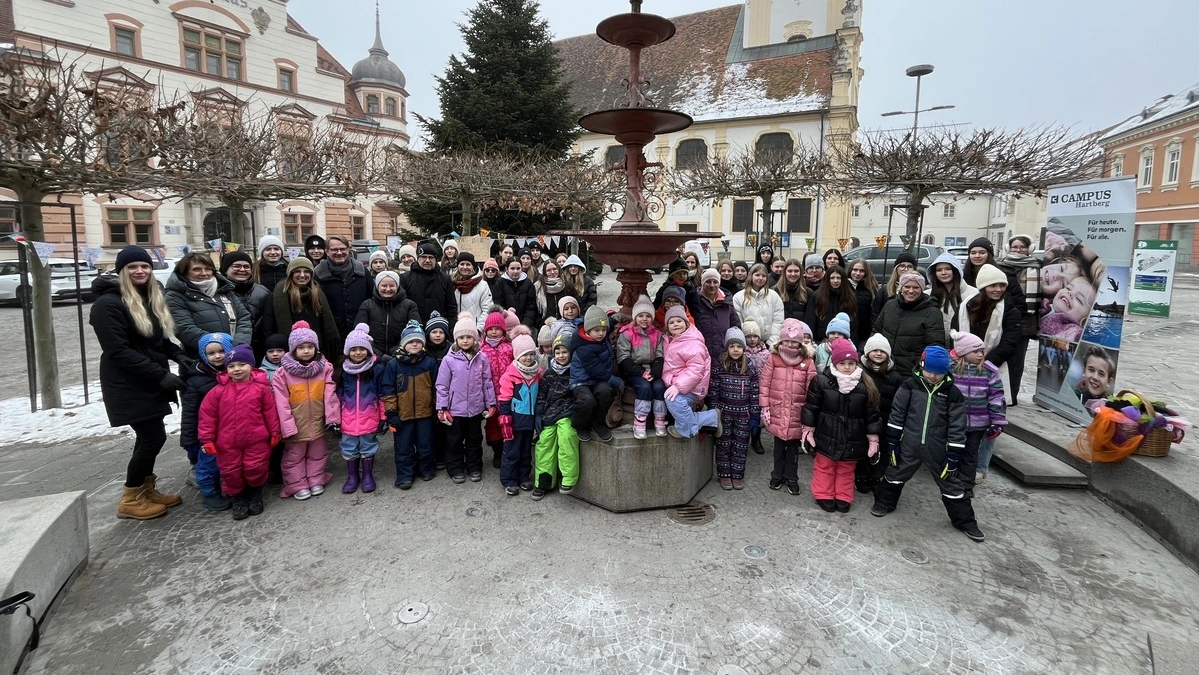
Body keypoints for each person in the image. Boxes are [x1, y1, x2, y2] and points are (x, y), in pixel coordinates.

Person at [91, 247, 189, 520]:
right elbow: (118, 351)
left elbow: (156, 340)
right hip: (128, 381)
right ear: (122, 271)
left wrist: (178, 354)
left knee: (151, 436)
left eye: (144, 266)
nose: (139, 271)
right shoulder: (108, 304)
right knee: (152, 437)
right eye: (132, 267)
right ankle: (131, 497)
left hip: (147, 379)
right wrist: (161, 375)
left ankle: (146, 489)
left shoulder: (146, 299)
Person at [871, 346, 985, 542]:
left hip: (938, 448)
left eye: (939, 372)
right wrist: (893, 442)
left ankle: (965, 521)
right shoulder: (909, 386)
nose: (933, 376)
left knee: (951, 483)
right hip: (909, 444)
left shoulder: (953, 393)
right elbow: (897, 414)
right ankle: (884, 503)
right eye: (929, 371)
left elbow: (957, 426)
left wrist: (954, 454)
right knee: (895, 473)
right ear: (921, 366)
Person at [198, 344, 280, 520]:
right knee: (230, 471)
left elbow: (270, 412)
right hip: (227, 443)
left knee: (256, 467)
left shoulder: (261, 389)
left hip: (256, 439)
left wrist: (274, 432)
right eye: (231, 366)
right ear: (226, 369)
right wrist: (207, 440)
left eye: (242, 364)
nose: (237, 369)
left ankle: (254, 493)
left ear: (251, 366)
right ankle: (237, 496)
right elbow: (207, 417)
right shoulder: (217, 392)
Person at [801, 338, 882, 513]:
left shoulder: (864, 386)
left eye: (851, 363)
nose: (847, 367)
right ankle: (823, 492)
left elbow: (872, 415)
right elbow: (811, 407)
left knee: (846, 468)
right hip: (826, 434)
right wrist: (808, 430)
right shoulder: (821, 382)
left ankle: (843, 495)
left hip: (853, 438)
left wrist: (873, 439)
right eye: (842, 363)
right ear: (835, 363)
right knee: (825, 466)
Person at [272, 320, 340, 501]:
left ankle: (316, 479)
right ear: (293, 349)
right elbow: (281, 402)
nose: (306, 351)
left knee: (318, 453)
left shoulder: (325, 368)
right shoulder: (282, 373)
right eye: (301, 347)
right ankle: (297, 484)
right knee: (294, 456)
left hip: (317, 421)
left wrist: (332, 419)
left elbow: (330, 395)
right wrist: (287, 426)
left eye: (310, 346)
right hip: (296, 423)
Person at [436, 312, 498, 484]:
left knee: (474, 440)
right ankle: (455, 468)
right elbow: (442, 385)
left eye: (469, 337)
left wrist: (490, 403)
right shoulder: (449, 360)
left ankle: (474, 466)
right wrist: (442, 408)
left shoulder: (482, 358)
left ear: (475, 339)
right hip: (455, 410)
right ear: (456, 339)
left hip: (475, 409)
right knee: (454, 441)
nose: (465, 340)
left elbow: (487, 382)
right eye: (461, 337)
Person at [759, 318, 818, 495]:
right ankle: (777, 475)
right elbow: (765, 383)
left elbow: (812, 388)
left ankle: (792, 478)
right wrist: (764, 407)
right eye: (788, 341)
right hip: (777, 410)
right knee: (778, 447)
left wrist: (809, 414)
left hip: (797, 412)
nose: (791, 345)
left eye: (795, 342)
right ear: (781, 341)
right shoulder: (773, 358)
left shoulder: (808, 362)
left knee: (793, 449)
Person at [954, 264, 1022, 404]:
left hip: (994, 364)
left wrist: (986, 362)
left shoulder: (1010, 310)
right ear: (983, 287)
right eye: (993, 286)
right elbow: (956, 332)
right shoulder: (966, 307)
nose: (998, 290)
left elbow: (1009, 342)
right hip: (963, 362)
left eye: (1002, 285)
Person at [949, 331, 1006, 497]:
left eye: (982, 351)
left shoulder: (989, 371)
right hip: (954, 422)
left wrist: (997, 422)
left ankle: (966, 486)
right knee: (952, 452)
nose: (981, 354)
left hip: (978, 424)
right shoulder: (950, 369)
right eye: (976, 351)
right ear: (963, 352)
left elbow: (996, 397)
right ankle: (949, 482)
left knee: (970, 455)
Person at [382, 321, 438, 489]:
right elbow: (388, 390)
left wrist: (436, 408)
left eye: (418, 341)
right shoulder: (394, 364)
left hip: (425, 414)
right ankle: (405, 475)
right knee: (403, 447)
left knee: (425, 445)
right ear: (403, 343)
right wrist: (391, 413)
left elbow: (436, 387)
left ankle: (426, 469)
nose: (414, 344)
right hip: (402, 415)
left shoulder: (428, 363)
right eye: (410, 341)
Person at [166, 252, 252, 358]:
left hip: (234, 356)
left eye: (208, 269)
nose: (204, 273)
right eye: (197, 269)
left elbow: (244, 318)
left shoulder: (224, 290)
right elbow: (184, 328)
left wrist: (239, 343)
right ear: (184, 272)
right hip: (201, 359)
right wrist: (220, 346)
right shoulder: (175, 296)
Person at [180, 332, 232, 510]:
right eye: (211, 353)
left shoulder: (236, 372)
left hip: (231, 431)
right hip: (208, 434)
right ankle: (210, 494)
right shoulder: (195, 380)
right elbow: (189, 413)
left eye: (221, 351)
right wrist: (189, 439)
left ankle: (229, 489)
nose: (217, 356)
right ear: (203, 355)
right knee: (209, 466)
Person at [335, 324, 386, 494]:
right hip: (347, 418)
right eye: (354, 349)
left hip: (369, 416)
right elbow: (337, 396)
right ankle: (352, 476)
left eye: (362, 349)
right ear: (347, 351)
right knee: (348, 447)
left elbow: (382, 395)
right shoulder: (342, 371)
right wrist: (335, 419)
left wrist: (384, 417)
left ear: (369, 350)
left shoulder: (376, 369)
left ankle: (367, 475)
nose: (358, 352)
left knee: (367, 446)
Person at [708, 327, 760, 490]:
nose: (735, 350)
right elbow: (714, 390)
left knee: (740, 445)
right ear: (727, 348)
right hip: (725, 413)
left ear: (743, 349)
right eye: (732, 346)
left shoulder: (750, 368)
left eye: (738, 346)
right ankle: (724, 474)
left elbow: (755, 393)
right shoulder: (720, 367)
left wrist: (754, 416)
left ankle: (737, 475)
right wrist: (714, 412)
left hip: (743, 415)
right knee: (724, 445)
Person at [263, 256, 340, 360]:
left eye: (307, 271)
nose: (302, 275)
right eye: (297, 271)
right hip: (289, 353)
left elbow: (325, 325)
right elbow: (269, 327)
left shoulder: (319, 294)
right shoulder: (277, 296)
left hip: (317, 353)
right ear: (291, 274)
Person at [661, 306, 720, 439]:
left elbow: (695, 369)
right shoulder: (671, 339)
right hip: (677, 382)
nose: (676, 324)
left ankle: (685, 430)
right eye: (671, 322)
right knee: (671, 400)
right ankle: (711, 417)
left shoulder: (693, 343)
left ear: (687, 323)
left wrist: (677, 386)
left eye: (679, 321)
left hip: (692, 386)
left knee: (673, 401)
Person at [856, 334, 904, 494]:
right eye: (874, 350)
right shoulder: (860, 371)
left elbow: (899, 401)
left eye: (882, 351)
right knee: (863, 448)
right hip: (863, 420)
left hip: (885, 419)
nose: (878, 353)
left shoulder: (895, 376)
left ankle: (876, 476)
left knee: (881, 450)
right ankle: (861, 475)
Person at [873, 273, 946, 376]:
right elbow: (876, 332)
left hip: (911, 371)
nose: (911, 291)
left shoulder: (932, 313)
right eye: (907, 286)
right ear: (901, 288)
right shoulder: (890, 305)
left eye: (916, 287)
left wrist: (921, 367)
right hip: (885, 366)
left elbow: (934, 345)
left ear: (922, 289)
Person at [533, 335, 579, 499]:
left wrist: (576, 412)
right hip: (549, 414)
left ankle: (568, 478)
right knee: (545, 443)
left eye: (564, 352)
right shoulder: (549, 374)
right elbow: (541, 395)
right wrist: (538, 414)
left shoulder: (575, 371)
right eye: (557, 352)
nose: (561, 355)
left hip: (567, 412)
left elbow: (579, 395)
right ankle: (543, 482)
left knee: (566, 437)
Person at [616, 296, 667, 439]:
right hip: (633, 369)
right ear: (635, 317)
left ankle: (660, 419)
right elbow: (623, 357)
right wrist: (641, 372)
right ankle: (640, 421)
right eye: (640, 316)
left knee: (659, 387)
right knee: (644, 388)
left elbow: (659, 354)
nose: (644, 319)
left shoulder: (657, 334)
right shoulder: (627, 334)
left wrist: (656, 371)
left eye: (648, 316)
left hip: (651, 369)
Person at [999, 234, 1041, 407]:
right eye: (1015, 247)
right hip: (1002, 317)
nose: (1018, 250)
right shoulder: (1000, 266)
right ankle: (999, 394)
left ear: (1029, 248)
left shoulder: (1036, 267)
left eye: (1022, 247)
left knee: (1017, 361)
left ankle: (1012, 397)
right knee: (1000, 358)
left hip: (1025, 319)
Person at [498, 334, 541, 496]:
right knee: (512, 451)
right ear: (517, 356)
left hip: (529, 420)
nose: (529, 358)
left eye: (531, 354)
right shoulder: (510, 375)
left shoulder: (537, 373)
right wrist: (505, 418)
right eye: (524, 355)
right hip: (515, 420)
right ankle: (509, 480)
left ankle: (524, 477)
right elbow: (504, 398)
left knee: (525, 451)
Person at [570, 306, 621, 442]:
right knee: (587, 401)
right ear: (588, 330)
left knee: (606, 392)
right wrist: (614, 380)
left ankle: (598, 422)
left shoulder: (600, 334)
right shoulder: (584, 346)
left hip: (598, 380)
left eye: (604, 330)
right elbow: (595, 369)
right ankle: (580, 425)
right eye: (597, 330)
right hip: (582, 380)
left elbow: (605, 323)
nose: (601, 333)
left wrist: (614, 319)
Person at [315, 235, 372, 342]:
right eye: (334, 250)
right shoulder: (318, 274)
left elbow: (372, 300)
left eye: (342, 249)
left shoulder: (362, 272)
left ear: (348, 250)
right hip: (331, 334)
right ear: (327, 251)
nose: (339, 252)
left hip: (360, 332)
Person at [353, 270, 420, 357]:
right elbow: (359, 334)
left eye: (392, 285)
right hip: (373, 356)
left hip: (402, 355)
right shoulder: (367, 305)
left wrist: (397, 351)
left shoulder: (409, 306)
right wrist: (378, 354)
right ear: (377, 287)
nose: (388, 289)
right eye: (384, 286)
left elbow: (415, 332)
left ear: (397, 286)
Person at [219, 251, 271, 359]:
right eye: (236, 266)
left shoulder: (263, 292)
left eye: (246, 266)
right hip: (228, 349)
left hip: (260, 350)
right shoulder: (217, 293)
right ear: (225, 270)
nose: (242, 270)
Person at [481, 309, 515, 468]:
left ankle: (507, 449)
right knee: (493, 423)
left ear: (503, 329)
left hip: (508, 393)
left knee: (507, 421)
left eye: (497, 329)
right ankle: (497, 450)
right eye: (491, 329)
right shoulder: (481, 349)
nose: (494, 332)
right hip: (490, 394)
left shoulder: (509, 347)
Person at [401, 242, 458, 325]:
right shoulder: (405, 278)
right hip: (413, 328)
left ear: (435, 259)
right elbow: (402, 306)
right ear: (418, 258)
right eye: (424, 257)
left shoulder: (445, 279)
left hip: (438, 329)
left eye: (431, 257)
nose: (427, 260)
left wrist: (451, 328)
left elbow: (451, 306)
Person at [424, 312, 452, 471]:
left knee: (446, 426)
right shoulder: (423, 350)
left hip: (447, 393)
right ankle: (436, 454)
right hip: (428, 392)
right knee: (432, 426)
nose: (438, 335)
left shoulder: (450, 349)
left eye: (441, 332)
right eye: (434, 332)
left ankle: (446, 455)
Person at [927, 253, 978, 340]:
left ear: (956, 270)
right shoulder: (927, 295)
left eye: (948, 269)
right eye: (939, 270)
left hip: (965, 345)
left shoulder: (973, 293)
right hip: (937, 345)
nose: (943, 273)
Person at [693, 268, 741, 361]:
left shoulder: (727, 303)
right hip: (701, 353)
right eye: (708, 282)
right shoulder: (695, 301)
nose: (712, 285)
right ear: (702, 283)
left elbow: (736, 327)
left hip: (723, 354)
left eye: (715, 282)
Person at [733, 263, 784, 347]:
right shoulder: (739, 297)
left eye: (763, 276)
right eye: (757, 275)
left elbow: (778, 322)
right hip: (747, 346)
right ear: (751, 276)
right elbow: (738, 322)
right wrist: (747, 341)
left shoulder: (774, 296)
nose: (760, 278)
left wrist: (770, 343)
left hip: (769, 345)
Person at [804, 265, 856, 344]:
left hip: (844, 344)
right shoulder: (818, 296)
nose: (835, 281)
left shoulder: (850, 297)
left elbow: (854, 325)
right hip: (821, 342)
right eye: (832, 278)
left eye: (838, 278)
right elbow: (810, 321)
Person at [449, 253, 492, 334]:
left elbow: (487, 309)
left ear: (473, 266)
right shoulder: (453, 285)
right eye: (462, 264)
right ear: (458, 266)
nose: (464, 267)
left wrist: (478, 329)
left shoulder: (482, 285)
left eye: (468, 264)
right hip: (457, 332)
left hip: (476, 331)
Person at [872, 251, 919, 317]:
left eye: (909, 266)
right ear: (896, 268)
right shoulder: (885, 289)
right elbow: (875, 312)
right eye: (902, 266)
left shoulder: (919, 289)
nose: (905, 269)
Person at [496, 258, 538, 329]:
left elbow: (531, 307)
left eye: (518, 268)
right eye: (512, 268)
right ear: (507, 269)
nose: (515, 271)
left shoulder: (528, 284)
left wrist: (524, 325)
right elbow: (498, 304)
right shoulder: (500, 283)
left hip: (524, 325)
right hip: (506, 325)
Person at [847, 259, 879, 348]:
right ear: (850, 270)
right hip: (846, 331)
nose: (857, 273)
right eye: (855, 270)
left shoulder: (871, 289)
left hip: (863, 334)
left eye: (861, 271)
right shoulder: (844, 286)